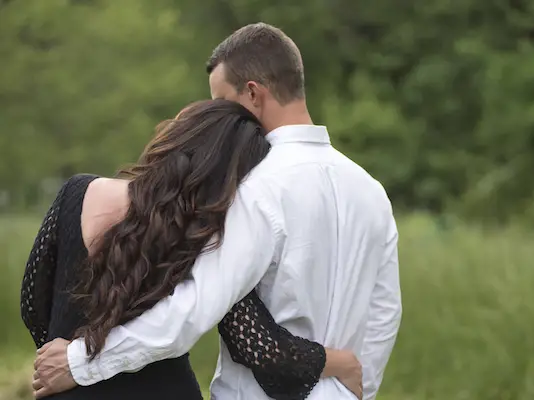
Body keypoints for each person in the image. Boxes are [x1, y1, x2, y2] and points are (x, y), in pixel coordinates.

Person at [33, 22, 402, 400]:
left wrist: (81, 362)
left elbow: (191, 311)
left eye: (221, 101)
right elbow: (383, 317)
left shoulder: (255, 188)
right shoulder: (371, 191)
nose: (217, 115)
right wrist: (357, 391)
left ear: (253, 94)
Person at [21, 100, 363, 400]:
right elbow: (263, 352)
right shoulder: (205, 237)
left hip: (64, 387)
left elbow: (33, 304)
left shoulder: (77, 194)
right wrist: (340, 363)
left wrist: (63, 349)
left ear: (175, 136)